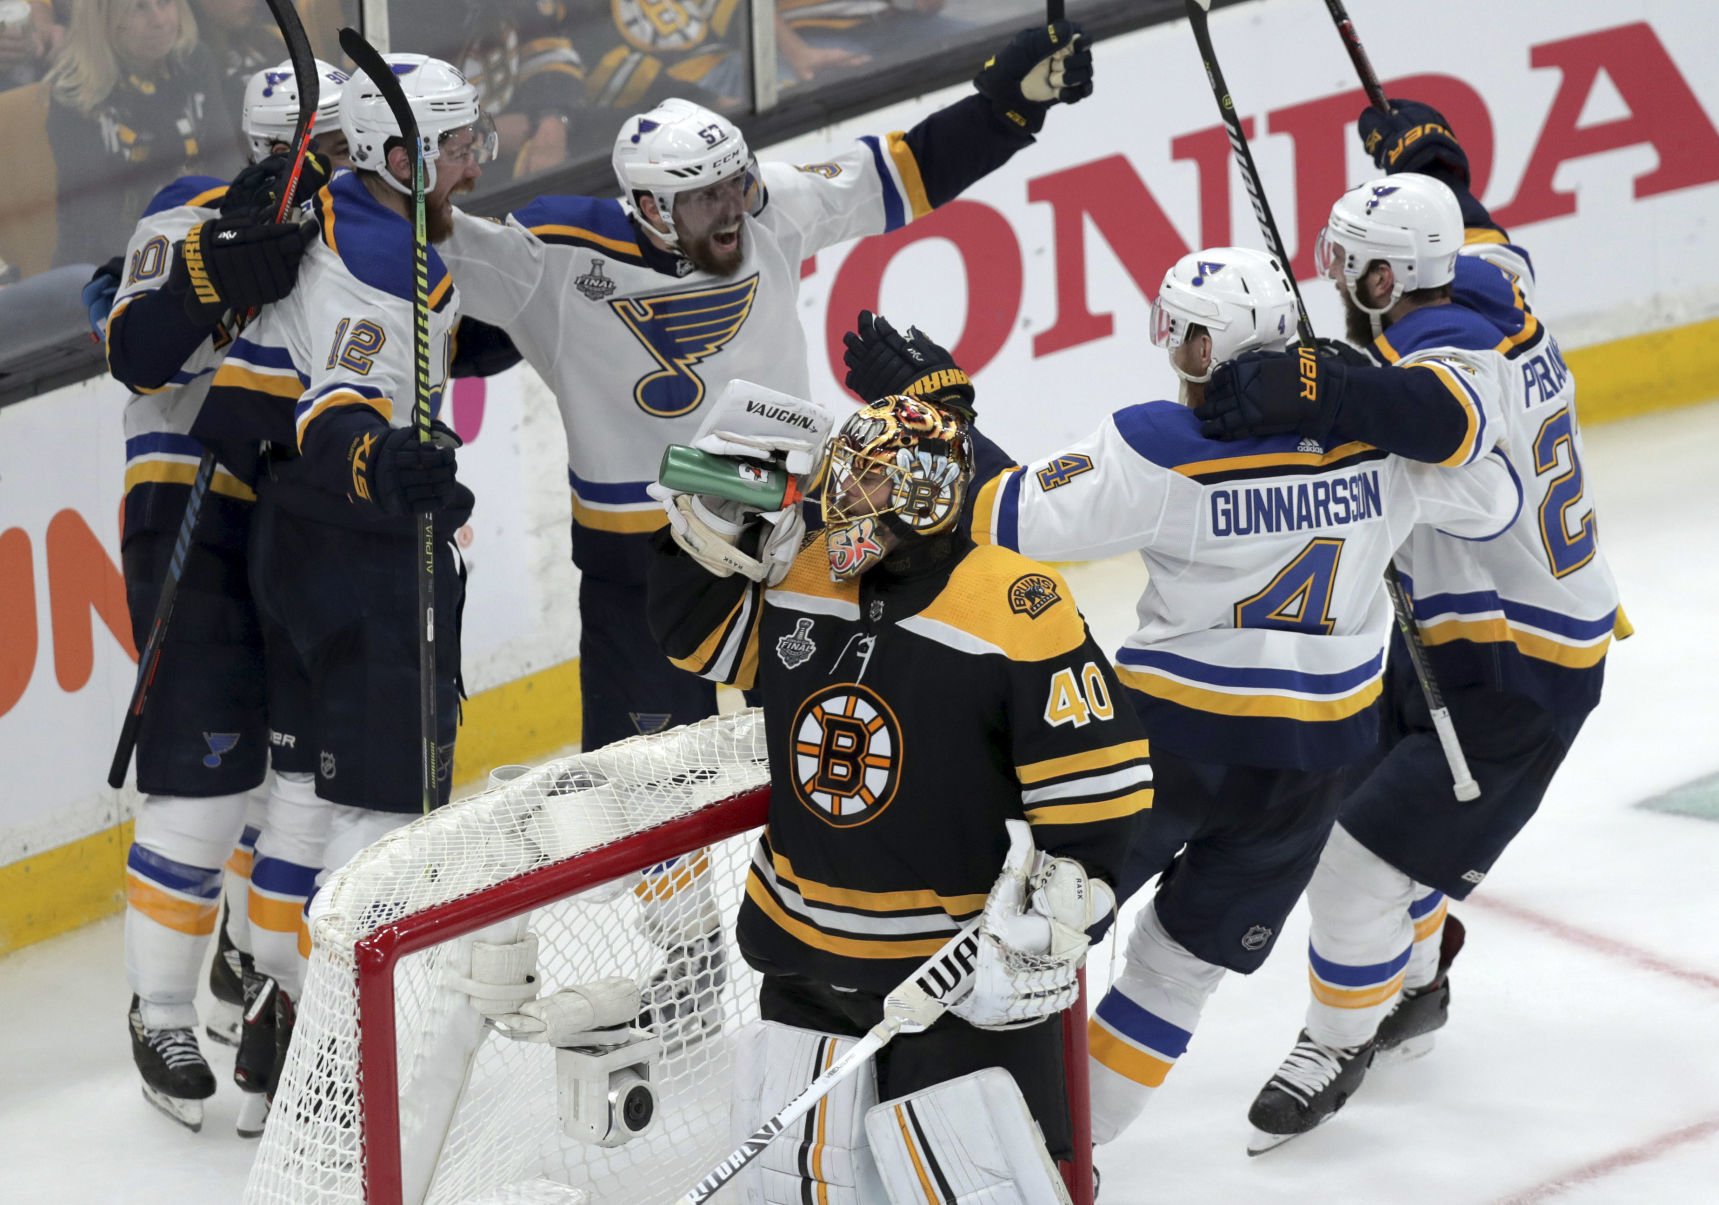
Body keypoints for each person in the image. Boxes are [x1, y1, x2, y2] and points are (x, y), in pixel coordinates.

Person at [849, 245, 1523, 1161]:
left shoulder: (1158, 447)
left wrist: (944, 412)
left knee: (1028, 937)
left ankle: (946, 1140)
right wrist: (1361, 394)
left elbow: (994, 518)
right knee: (1177, 973)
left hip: (1166, 751)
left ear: (1198, 349)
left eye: (1179, 334)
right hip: (1314, 767)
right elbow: (1492, 501)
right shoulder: (1383, 446)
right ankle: (1059, 1162)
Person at [441, 17, 1094, 754]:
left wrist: (1007, 105)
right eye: (704, 197)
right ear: (651, 207)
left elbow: (904, 172)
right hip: (640, 570)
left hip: (788, 542)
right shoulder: (553, 257)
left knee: (812, 755)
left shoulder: (769, 210)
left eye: (736, 183)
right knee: (648, 794)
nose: (731, 209)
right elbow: (420, 257)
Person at [1192, 103, 1625, 1152]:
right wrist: (1433, 169)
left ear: (1390, 278)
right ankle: (1416, 983)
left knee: (1353, 858)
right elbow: (1481, 235)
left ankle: (1337, 1039)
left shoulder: (1450, 351)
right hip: (1463, 626)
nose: (1339, 277)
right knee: (1379, 812)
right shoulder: (1491, 279)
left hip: (1520, 667)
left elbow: (1447, 421)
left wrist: (1329, 384)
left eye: (1354, 264)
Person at [648, 385, 1150, 1202]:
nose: (842, 499)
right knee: (806, 1191)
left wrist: (1073, 895)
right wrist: (701, 538)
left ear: (928, 492)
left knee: (989, 1185)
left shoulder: (1019, 604)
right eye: (842, 478)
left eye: (869, 484)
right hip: (802, 953)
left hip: (955, 977)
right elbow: (699, 640)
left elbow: (1095, 780)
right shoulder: (804, 570)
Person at [197, 51, 494, 1123]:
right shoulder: (380, 259)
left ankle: (277, 1017)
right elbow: (340, 411)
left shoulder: (347, 216)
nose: (474, 160)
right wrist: (384, 468)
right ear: (399, 157)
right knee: (385, 811)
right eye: (458, 143)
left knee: (315, 804)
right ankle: (334, 1051)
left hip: (297, 546)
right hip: (363, 557)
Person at [101, 57, 344, 1136]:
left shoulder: (370, 232)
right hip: (191, 505)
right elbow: (137, 352)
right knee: (203, 784)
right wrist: (220, 268)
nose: (332, 170)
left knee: (295, 778)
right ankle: (159, 1011)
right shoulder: (185, 211)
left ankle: (249, 956)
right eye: (314, 150)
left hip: (310, 524)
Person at [44, 0, 241, 267]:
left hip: (200, 242)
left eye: (165, 3)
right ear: (102, 19)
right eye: (139, 7)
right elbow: (99, 223)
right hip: (110, 267)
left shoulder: (194, 61)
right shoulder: (75, 95)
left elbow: (226, 164)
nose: (159, 20)